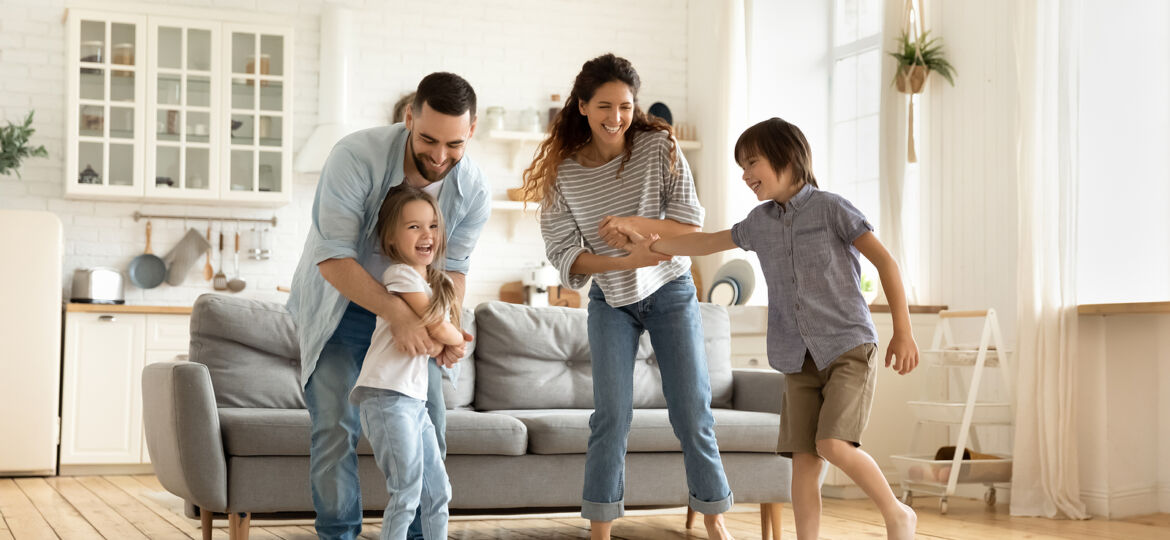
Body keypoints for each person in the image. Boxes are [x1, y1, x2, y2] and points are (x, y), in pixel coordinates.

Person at [643, 117, 920, 540]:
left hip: (848, 347)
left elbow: (885, 262)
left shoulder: (832, 208)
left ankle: (897, 513)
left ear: (787, 156)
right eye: (741, 166)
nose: (744, 174)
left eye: (751, 162)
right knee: (804, 462)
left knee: (832, 445)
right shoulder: (759, 222)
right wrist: (653, 246)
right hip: (797, 358)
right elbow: (707, 241)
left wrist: (903, 330)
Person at [521, 53, 736, 540]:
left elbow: (690, 222)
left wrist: (636, 229)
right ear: (581, 106)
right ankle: (600, 530)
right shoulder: (565, 173)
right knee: (611, 415)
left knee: (691, 408)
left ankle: (715, 521)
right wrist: (624, 261)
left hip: (671, 290)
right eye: (604, 106)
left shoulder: (658, 146)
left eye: (624, 106)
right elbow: (564, 254)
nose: (615, 117)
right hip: (611, 299)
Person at [287, 72, 490, 540]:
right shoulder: (355, 157)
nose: (440, 157)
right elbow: (334, 257)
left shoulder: (473, 188)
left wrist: (444, 328)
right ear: (408, 118)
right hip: (343, 305)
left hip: (418, 310)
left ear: (472, 130)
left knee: (430, 429)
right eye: (428, 140)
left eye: (455, 144)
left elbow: (453, 271)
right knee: (336, 427)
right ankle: (339, 534)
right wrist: (397, 314)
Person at [352, 185, 462, 539]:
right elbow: (437, 326)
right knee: (407, 493)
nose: (426, 234)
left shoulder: (436, 283)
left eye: (432, 225)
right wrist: (454, 339)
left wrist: (447, 342)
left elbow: (437, 338)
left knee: (438, 492)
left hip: (414, 401)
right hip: (386, 396)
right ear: (392, 238)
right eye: (413, 227)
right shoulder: (399, 275)